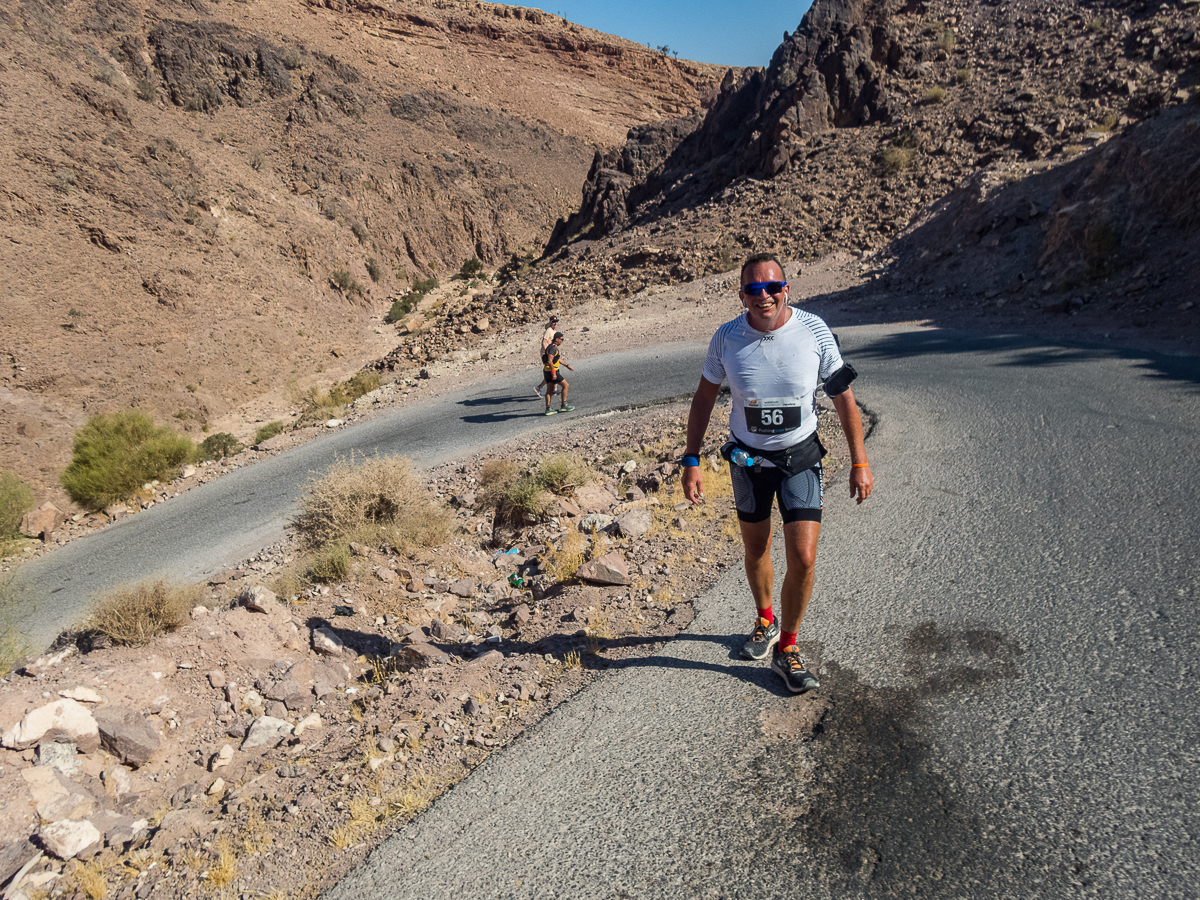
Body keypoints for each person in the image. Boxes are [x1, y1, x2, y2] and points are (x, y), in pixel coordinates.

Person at [681, 252, 873, 693]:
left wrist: (859, 461)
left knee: (804, 558)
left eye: (771, 287)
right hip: (748, 462)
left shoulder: (814, 331)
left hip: (799, 458)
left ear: (787, 289)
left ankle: (788, 647)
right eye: (753, 288)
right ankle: (765, 619)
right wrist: (691, 459)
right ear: (742, 294)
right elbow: (704, 399)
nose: (763, 296)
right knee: (757, 548)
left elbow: (844, 398)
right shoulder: (726, 338)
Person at [541, 332, 574, 416]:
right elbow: (549, 360)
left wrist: (567, 365)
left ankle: (548, 409)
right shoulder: (553, 348)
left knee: (549, 390)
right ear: (557, 339)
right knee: (565, 385)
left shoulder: (552, 347)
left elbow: (557, 359)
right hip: (552, 371)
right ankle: (564, 405)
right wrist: (553, 373)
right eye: (561, 339)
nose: (562, 341)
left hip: (546, 371)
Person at [534, 315, 560, 398]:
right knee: (551, 373)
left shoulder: (554, 331)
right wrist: (547, 352)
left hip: (552, 353)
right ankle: (540, 387)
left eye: (556, 322)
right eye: (553, 322)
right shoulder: (549, 331)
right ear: (550, 323)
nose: (555, 323)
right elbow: (544, 342)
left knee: (556, 371)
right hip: (548, 354)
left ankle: (554, 389)